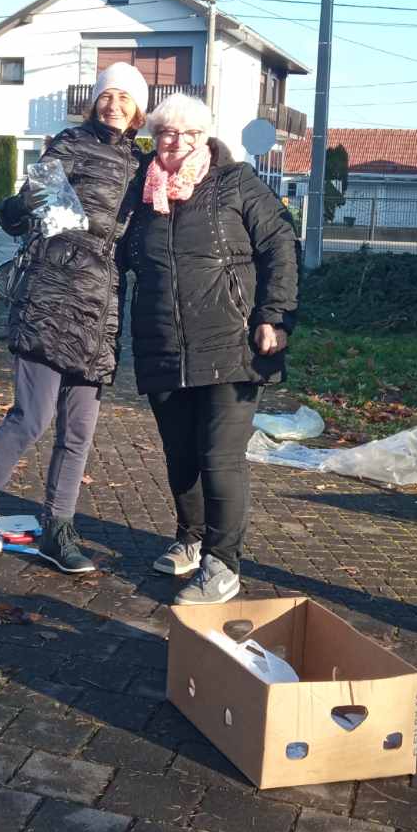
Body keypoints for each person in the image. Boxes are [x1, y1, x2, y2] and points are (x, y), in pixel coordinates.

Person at [0, 63, 147, 583]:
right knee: (31, 418)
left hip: (103, 311)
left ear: (139, 108)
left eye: (125, 97)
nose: (113, 104)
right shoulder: (70, 145)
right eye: (106, 95)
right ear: (94, 102)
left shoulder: (143, 166)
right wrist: (25, 206)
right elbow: (27, 213)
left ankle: (58, 528)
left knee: (78, 431)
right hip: (53, 298)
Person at [121, 94, 299, 604]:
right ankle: (191, 540)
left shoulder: (237, 183)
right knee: (181, 455)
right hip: (160, 342)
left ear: (204, 136)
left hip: (231, 342)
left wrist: (274, 316)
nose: (175, 143)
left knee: (220, 458)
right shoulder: (140, 189)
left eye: (187, 133)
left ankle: (223, 564)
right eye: (164, 134)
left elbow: (280, 247)